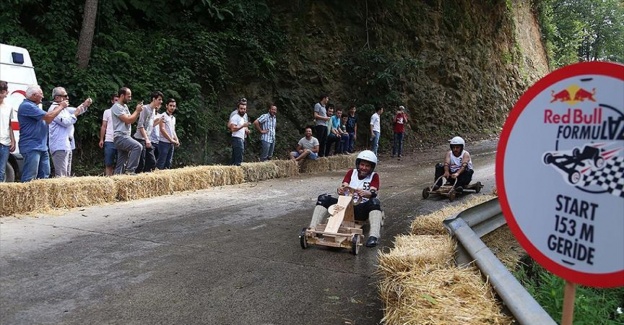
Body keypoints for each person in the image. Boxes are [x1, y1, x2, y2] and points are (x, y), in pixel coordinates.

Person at [306, 150, 383, 247]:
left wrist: (366, 193)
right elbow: (344, 185)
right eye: (362, 165)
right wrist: (341, 190)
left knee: (375, 202)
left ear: (372, 167)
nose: (364, 168)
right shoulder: (352, 172)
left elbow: (373, 191)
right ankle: (312, 229)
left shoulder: (374, 176)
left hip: (361, 208)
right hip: (345, 206)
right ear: (358, 164)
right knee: (323, 198)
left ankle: (374, 236)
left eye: (367, 166)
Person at [18, 85, 68, 182]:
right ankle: (28, 196)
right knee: (30, 176)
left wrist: (55, 109)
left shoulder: (34, 107)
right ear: (34, 95)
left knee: (45, 175)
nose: (43, 96)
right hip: (31, 146)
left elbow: (48, 120)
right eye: (41, 94)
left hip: (42, 146)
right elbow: (48, 117)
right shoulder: (27, 106)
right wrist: (61, 107)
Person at [48, 87, 92, 177]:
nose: (67, 98)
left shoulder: (64, 109)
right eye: (65, 96)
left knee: (67, 176)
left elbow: (77, 110)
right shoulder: (54, 109)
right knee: (61, 176)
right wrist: (75, 114)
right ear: (57, 98)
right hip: (59, 146)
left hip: (67, 145)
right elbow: (66, 122)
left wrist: (85, 104)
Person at [111, 87, 143, 175]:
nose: (130, 98)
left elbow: (131, 120)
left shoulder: (124, 106)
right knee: (137, 147)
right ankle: (130, 170)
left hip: (125, 136)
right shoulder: (116, 107)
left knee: (121, 163)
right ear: (122, 95)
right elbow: (128, 120)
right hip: (120, 136)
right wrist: (137, 111)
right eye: (128, 96)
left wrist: (138, 112)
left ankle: (117, 179)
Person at [133, 91, 163, 172]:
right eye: (159, 99)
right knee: (141, 162)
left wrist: (159, 120)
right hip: (140, 138)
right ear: (154, 99)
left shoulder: (153, 110)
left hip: (147, 139)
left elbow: (150, 125)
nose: (161, 102)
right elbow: (140, 125)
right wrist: (146, 139)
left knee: (152, 162)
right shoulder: (145, 109)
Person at [99, 94, 119, 176]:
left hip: (120, 140)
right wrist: (101, 139)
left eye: (118, 100)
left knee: (120, 163)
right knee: (108, 163)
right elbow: (104, 126)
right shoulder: (107, 112)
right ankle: (108, 178)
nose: (117, 102)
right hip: (109, 140)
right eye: (115, 100)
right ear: (112, 101)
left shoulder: (123, 111)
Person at [157, 98, 180, 169]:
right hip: (163, 143)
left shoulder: (173, 118)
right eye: (171, 105)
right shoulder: (163, 116)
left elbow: (173, 130)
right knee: (161, 162)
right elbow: (162, 129)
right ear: (166, 106)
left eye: (174, 106)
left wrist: (177, 140)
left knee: (168, 163)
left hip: (171, 144)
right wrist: (171, 140)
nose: (172, 107)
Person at [0, 81, 16, 182]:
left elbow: (10, 125)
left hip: (5, 142)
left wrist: (13, 140)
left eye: (3, 92)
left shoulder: (9, 107)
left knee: (1, 171)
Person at [228, 99, 249, 166]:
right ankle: (237, 171)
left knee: (235, 158)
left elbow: (242, 127)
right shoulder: (235, 116)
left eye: (244, 109)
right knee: (238, 158)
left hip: (241, 138)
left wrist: (246, 129)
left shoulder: (242, 117)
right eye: (241, 109)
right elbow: (233, 129)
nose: (243, 110)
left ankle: (233, 171)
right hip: (237, 139)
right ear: (238, 109)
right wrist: (243, 126)